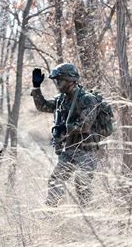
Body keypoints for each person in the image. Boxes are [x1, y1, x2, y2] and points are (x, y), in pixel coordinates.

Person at [31, 63, 99, 207]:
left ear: (70, 80)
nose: (57, 83)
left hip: (86, 150)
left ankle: (91, 216)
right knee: (55, 181)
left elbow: (85, 125)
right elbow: (42, 106)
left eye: (59, 80)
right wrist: (36, 88)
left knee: (82, 184)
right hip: (69, 150)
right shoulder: (61, 99)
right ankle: (51, 215)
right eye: (56, 80)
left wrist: (65, 129)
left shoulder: (86, 99)